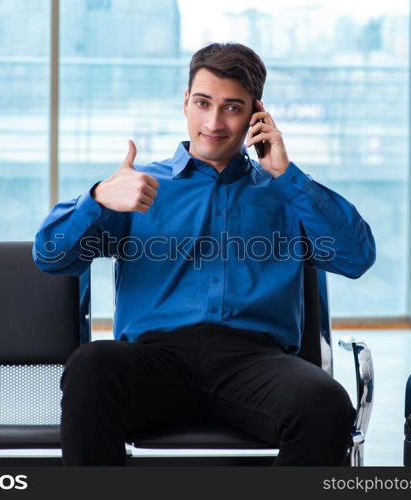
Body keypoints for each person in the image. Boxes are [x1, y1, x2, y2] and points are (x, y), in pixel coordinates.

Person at [33, 42, 376, 466]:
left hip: (254, 363)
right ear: (185, 103)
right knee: (92, 367)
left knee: (326, 404)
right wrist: (98, 198)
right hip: (155, 361)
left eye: (232, 108)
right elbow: (49, 255)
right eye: (202, 103)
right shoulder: (138, 187)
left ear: (256, 114)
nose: (213, 122)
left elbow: (357, 256)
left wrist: (287, 176)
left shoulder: (285, 192)